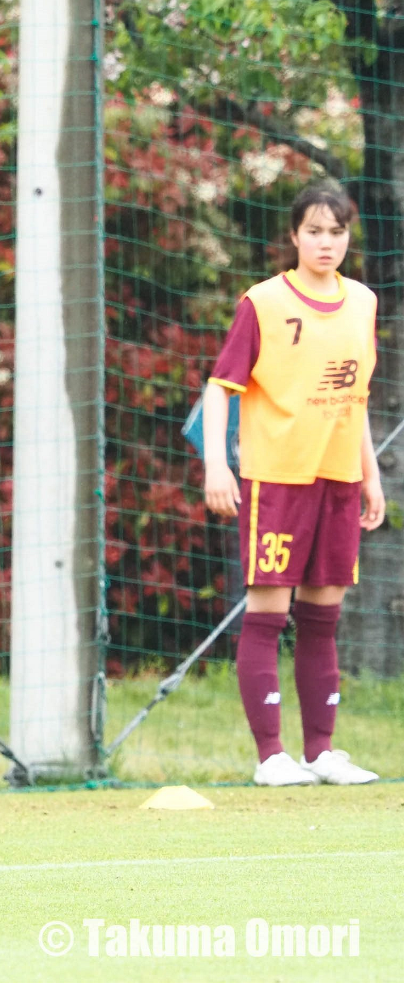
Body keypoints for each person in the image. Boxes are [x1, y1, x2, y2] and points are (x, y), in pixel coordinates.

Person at [203, 180, 384, 787]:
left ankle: (322, 752)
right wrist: (216, 465)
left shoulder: (363, 302)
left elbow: (354, 398)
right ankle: (271, 757)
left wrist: (370, 476)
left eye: (336, 232)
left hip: (338, 479)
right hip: (277, 479)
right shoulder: (263, 302)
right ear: (293, 236)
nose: (326, 243)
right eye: (314, 231)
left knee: (323, 614)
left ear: (348, 237)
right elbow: (220, 386)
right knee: (268, 612)